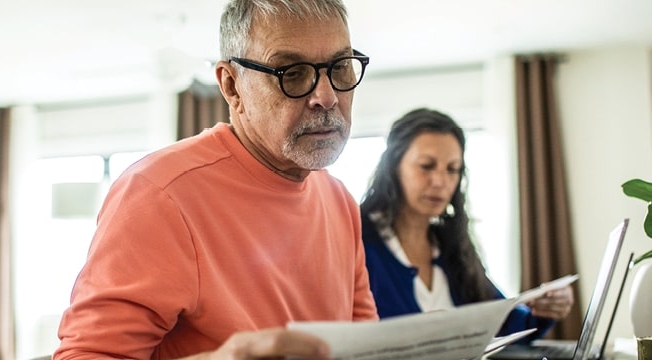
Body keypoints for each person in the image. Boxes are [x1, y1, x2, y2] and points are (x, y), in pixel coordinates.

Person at [53, 0, 377, 358]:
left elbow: (363, 345)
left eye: (340, 67)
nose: (327, 96)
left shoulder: (339, 200)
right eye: (292, 72)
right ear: (232, 85)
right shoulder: (159, 196)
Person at [359, 108, 574, 342]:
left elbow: (504, 324)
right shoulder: (359, 240)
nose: (441, 181)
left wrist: (544, 310)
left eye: (452, 169)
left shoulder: (452, 247)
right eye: (427, 166)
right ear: (393, 167)